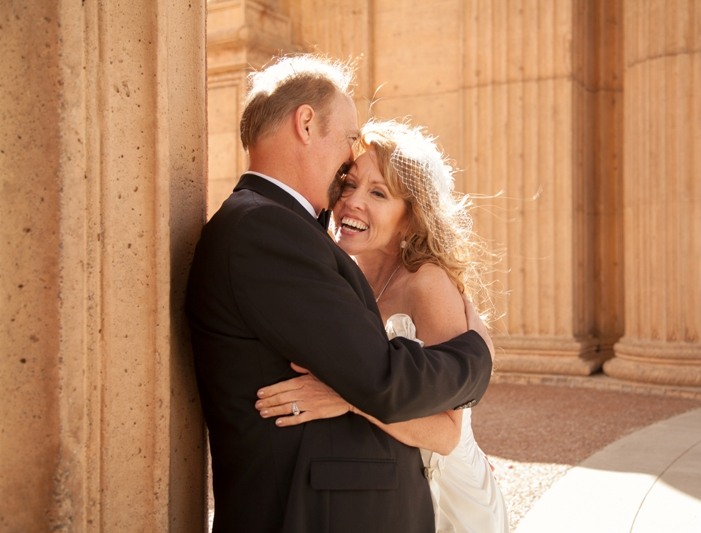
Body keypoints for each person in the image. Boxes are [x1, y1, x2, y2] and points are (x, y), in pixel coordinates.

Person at [185, 53, 495, 533]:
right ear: (305, 124)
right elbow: (380, 379)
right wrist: (475, 356)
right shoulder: (266, 229)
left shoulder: (276, 227)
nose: (347, 179)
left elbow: (376, 384)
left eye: (378, 192)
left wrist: (349, 393)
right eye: (350, 141)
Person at [254, 119, 509, 532]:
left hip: (448, 496)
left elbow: (446, 433)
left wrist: (349, 398)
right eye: (349, 184)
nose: (353, 201)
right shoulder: (342, 274)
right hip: (390, 483)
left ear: (411, 216)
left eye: (378, 193)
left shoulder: (425, 282)